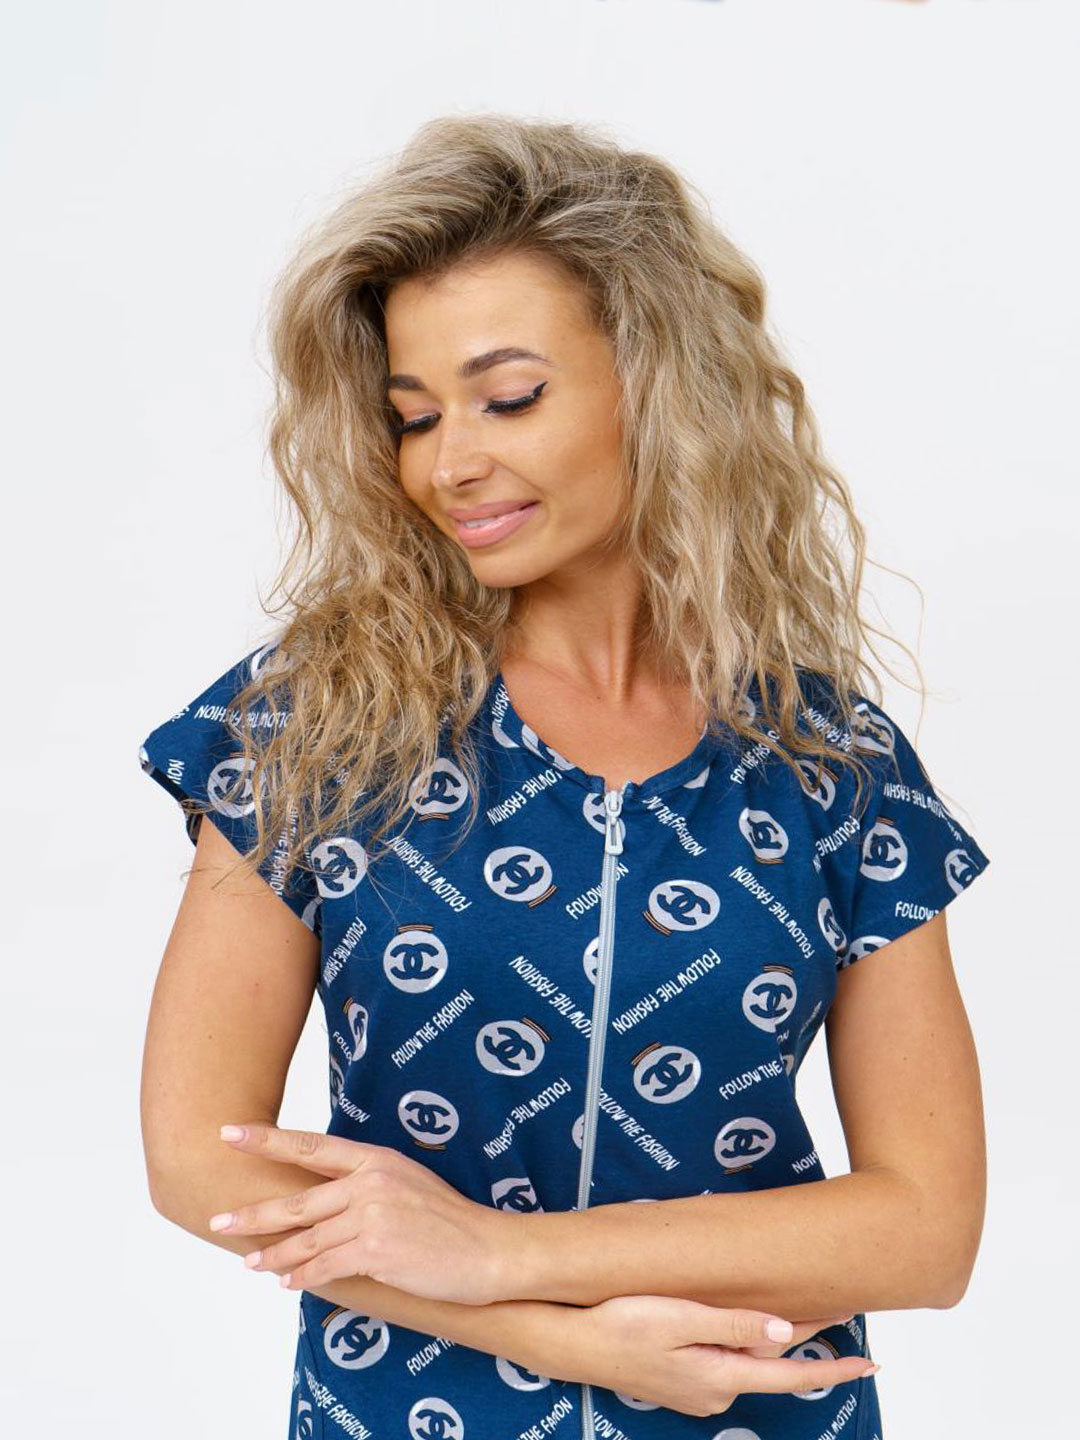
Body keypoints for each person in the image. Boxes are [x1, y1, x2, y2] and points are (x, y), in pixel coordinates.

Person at [138, 113, 990, 1440]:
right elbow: (202, 1159)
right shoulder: (315, 725)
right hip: (409, 1408)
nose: (450, 462)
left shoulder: (833, 764)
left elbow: (928, 1231)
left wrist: (504, 1253)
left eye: (510, 397)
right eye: (414, 417)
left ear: (660, 384)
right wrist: (560, 1338)